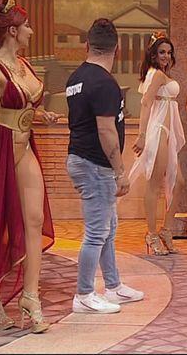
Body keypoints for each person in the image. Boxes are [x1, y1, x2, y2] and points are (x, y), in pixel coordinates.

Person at [0, 0, 59, 333]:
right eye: (27, 25)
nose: (31, 31)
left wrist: (41, 114)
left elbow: (26, 106)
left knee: (34, 219)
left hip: (23, 145)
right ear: (13, 30)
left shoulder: (24, 64)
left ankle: (31, 297)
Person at [66, 18, 144, 314]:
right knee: (97, 232)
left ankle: (113, 286)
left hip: (85, 160)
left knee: (108, 227)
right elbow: (106, 130)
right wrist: (120, 172)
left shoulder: (76, 78)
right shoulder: (104, 83)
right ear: (118, 49)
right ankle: (84, 294)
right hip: (95, 165)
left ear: (87, 45)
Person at [129, 32, 185, 255]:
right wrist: (142, 135)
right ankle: (152, 234)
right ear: (153, 54)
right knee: (155, 184)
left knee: (179, 182)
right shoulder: (158, 75)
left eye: (169, 53)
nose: (166, 56)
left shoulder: (160, 74)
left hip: (167, 131)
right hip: (159, 130)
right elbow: (145, 103)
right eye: (162, 52)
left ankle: (166, 229)